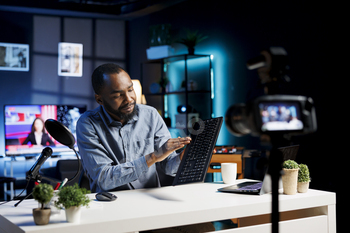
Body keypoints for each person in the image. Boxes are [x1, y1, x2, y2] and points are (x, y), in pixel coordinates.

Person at [76, 63, 215, 232]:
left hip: (152, 202)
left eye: (130, 89)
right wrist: (154, 157)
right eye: (117, 95)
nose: (129, 99)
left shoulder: (150, 115)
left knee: (205, 227)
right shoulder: (87, 123)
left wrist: (182, 157)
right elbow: (104, 179)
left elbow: (167, 166)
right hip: (114, 207)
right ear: (99, 99)